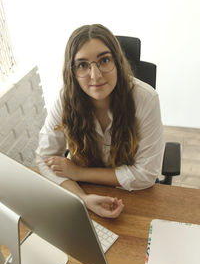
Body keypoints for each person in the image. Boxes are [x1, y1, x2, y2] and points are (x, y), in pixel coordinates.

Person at [35, 24, 164, 219]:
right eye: (83, 65)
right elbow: (44, 159)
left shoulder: (146, 99)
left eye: (104, 60)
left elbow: (145, 176)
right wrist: (83, 199)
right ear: (73, 71)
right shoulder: (65, 98)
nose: (95, 75)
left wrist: (78, 173)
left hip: (133, 197)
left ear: (118, 62)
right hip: (82, 195)